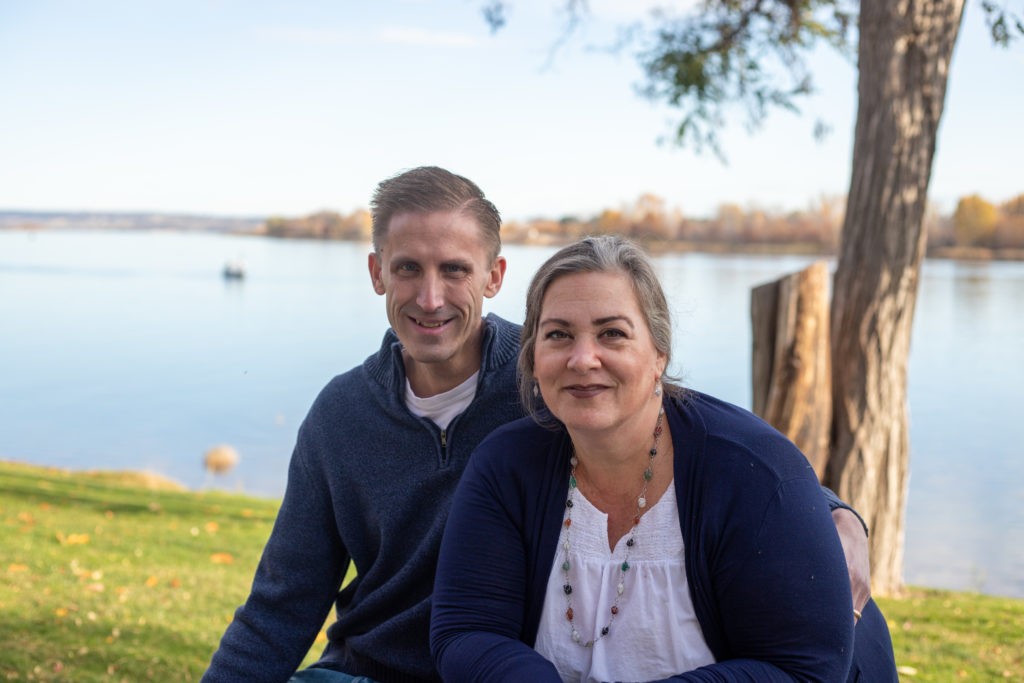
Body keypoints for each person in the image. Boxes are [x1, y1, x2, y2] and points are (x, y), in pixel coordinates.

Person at [203, 167, 873, 683]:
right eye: (407, 267)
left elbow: (696, 431)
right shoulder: (340, 416)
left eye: (454, 270)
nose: (429, 296)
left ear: (494, 275)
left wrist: (831, 509)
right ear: (378, 271)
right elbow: (280, 605)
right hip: (377, 668)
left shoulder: (562, 375)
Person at [430, 235, 898, 682]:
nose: (583, 358)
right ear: (533, 359)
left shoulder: (755, 472)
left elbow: (803, 669)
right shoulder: (506, 464)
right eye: (559, 335)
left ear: (659, 354)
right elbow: (468, 631)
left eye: (612, 333)